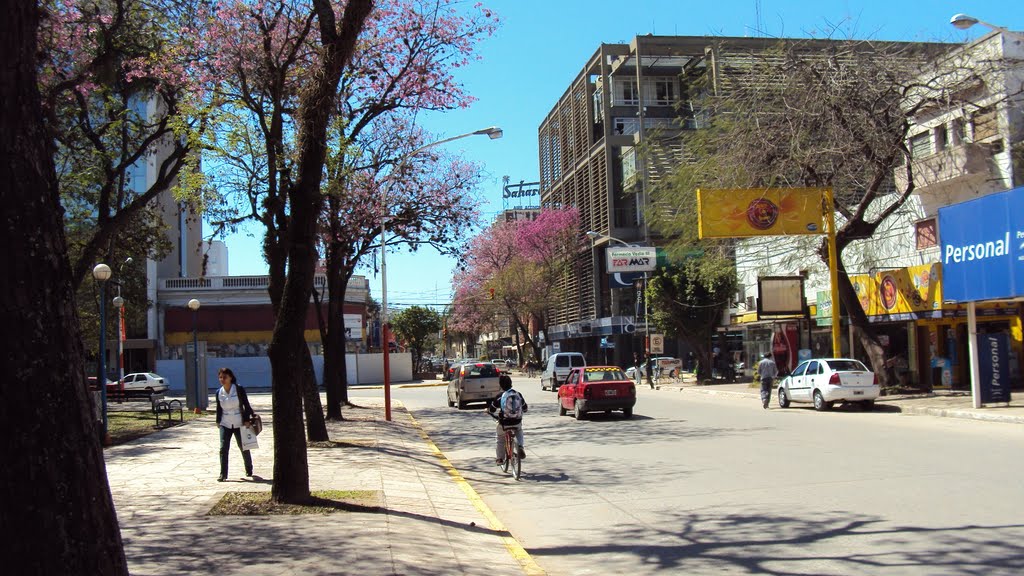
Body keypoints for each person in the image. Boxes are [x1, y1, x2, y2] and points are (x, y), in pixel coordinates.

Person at [215, 367, 254, 481]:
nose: (222, 379)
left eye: (225, 377)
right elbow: (219, 408)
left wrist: (247, 419)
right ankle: (223, 474)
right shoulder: (219, 392)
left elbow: (246, 405)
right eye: (220, 377)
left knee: (243, 447)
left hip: (239, 422)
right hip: (225, 423)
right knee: (223, 448)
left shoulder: (238, 389)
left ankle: (249, 468)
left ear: (230, 377)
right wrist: (218, 421)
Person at [487, 374, 528, 465]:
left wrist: (488, 411)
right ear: (511, 383)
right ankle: (520, 446)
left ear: (501, 385)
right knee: (519, 430)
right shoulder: (518, 394)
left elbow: (492, 409)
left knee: (500, 438)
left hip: (504, 423)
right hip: (517, 421)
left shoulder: (500, 396)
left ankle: (500, 459)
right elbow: (525, 408)